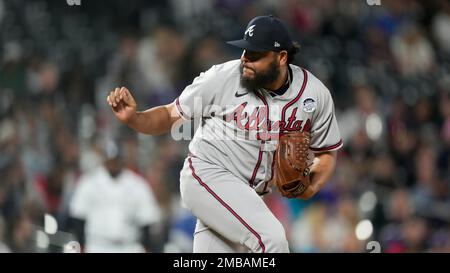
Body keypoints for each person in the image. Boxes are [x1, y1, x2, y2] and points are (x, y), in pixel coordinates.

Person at [107, 15, 342, 253]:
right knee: (272, 240)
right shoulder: (223, 77)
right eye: (245, 51)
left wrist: (312, 184)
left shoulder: (313, 94)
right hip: (207, 175)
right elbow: (170, 115)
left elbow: (327, 152)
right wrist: (135, 118)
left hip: (246, 196)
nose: (246, 60)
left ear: (281, 58)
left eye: (256, 55)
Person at [68, 139, 161, 253]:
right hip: (96, 245)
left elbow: (147, 220)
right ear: (104, 160)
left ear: (122, 160)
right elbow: (78, 217)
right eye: (110, 160)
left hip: (128, 246)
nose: (113, 163)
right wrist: (81, 246)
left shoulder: (137, 184)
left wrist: (146, 247)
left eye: (116, 160)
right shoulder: (89, 182)